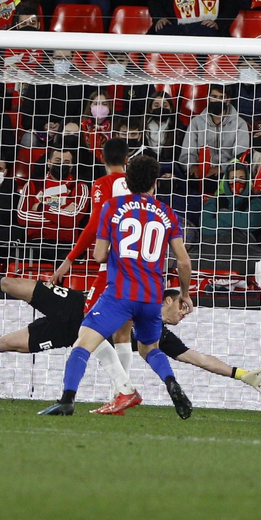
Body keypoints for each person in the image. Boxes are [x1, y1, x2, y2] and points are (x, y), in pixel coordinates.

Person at [0, 275, 261, 407]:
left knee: (6, 344)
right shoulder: (140, 296)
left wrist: (240, 374)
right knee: (9, 284)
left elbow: (197, 358)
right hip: (73, 304)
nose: (184, 312)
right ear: (167, 298)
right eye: (183, 305)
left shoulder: (157, 334)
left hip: (69, 333)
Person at [37, 153, 195, 419]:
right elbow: (184, 261)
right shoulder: (167, 213)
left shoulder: (113, 206)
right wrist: (185, 293)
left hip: (120, 293)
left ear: (127, 181)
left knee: (83, 341)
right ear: (155, 183)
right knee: (149, 349)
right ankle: (171, 383)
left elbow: (99, 255)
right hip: (151, 296)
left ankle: (67, 399)